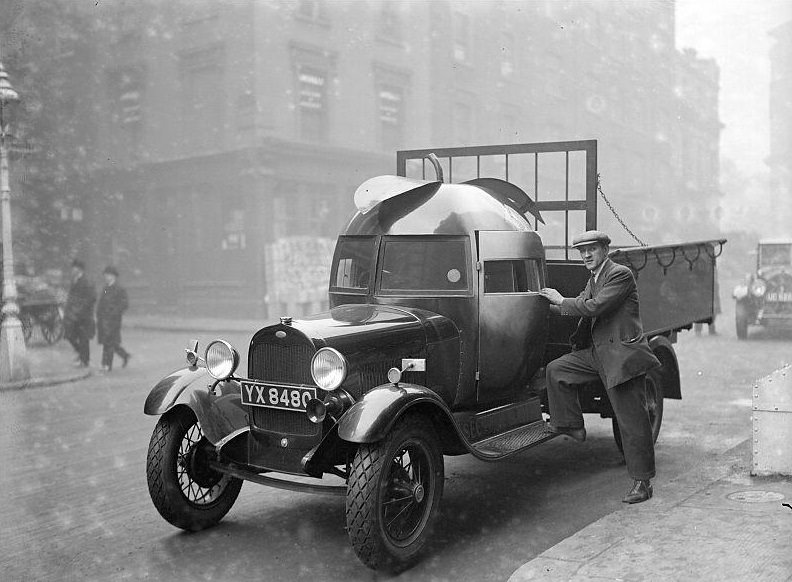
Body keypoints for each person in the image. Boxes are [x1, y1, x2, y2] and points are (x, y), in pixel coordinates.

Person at [538, 230, 660, 504]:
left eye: (592, 249)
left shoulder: (619, 274)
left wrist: (560, 300)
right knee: (557, 370)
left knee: (633, 424)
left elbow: (593, 307)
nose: (586, 255)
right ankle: (571, 425)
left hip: (621, 356)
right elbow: (579, 306)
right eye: (582, 252)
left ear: (606, 249)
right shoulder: (594, 278)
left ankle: (643, 483)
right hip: (597, 353)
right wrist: (542, 306)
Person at [96, 265, 131, 372]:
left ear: (114, 276)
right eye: (106, 275)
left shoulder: (119, 289)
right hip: (104, 319)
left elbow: (124, 303)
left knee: (109, 341)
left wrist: (115, 312)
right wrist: (98, 313)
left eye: (109, 275)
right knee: (108, 341)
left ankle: (107, 364)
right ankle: (124, 355)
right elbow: (101, 302)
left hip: (114, 320)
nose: (107, 277)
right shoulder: (106, 288)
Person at [63, 259, 97, 368]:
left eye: (75, 268)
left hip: (84, 315)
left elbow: (92, 297)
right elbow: (72, 297)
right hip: (74, 315)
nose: (72, 270)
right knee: (70, 335)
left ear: (80, 269)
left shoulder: (86, 281)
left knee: (83, 338)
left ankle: (85, 361)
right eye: (72, 267)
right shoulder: (74, 280)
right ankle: (81, 353)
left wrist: (81, 308)